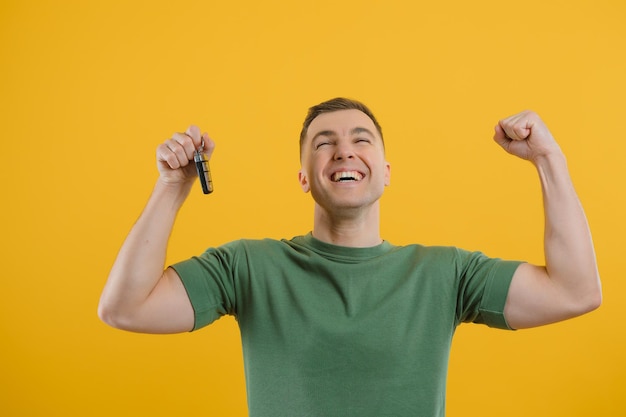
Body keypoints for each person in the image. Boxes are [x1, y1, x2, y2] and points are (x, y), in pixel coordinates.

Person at [98, 98, 602, 416]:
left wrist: (548, 160)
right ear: (303, 178)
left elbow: (575, 291)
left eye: (361, 140)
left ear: (385, 172)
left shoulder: (445, 274)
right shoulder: (248, 267)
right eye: (324, 143)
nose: (343, 151)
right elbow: (126, 308)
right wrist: (171, 186)